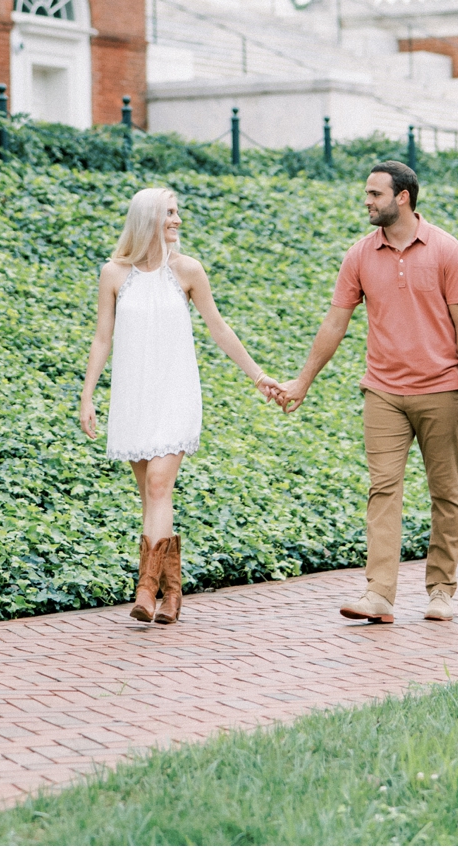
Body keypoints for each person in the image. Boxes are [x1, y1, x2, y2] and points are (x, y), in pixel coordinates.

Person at [267, 161, 458, 623]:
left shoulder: (447, 251)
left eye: (374, 194)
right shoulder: (359, 256)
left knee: (445, 492)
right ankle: (379, 595)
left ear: (402, 197)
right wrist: (301, 382)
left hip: (441, 389)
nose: (366, 201)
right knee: (383, 489)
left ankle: (441, 591)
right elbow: (335, 324)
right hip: (383, 392)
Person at [80, 186, 273, 625]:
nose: (177, 220)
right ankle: (172, 595)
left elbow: (219, 329)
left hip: (175, 393)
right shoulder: (114, 273)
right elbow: (102, 338)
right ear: (146, 218)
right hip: (133, 397)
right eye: (169, 212)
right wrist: (87, 395)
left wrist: (258, 377)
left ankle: (145, 591)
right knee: (151, 499)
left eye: (177, 212)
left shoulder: (188, 271)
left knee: (159, 487)